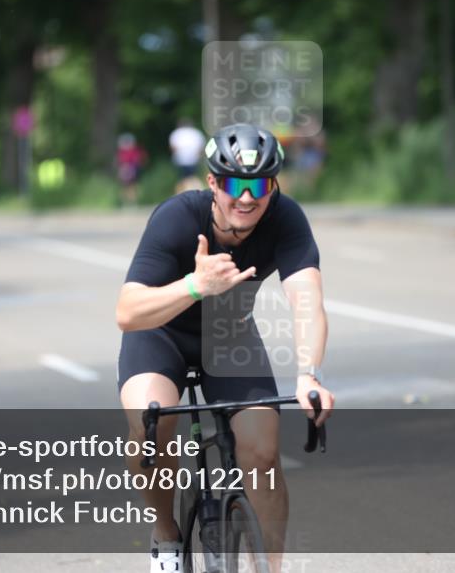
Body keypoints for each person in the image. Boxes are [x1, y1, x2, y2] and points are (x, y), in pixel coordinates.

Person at [115, 123, 335, 573]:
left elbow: (307, 301)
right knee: (151, 429)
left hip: (229, 337)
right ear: (213, 182)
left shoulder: (286, 219)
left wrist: (309, 373)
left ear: (273, 185)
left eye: (260, 184)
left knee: (262, 452)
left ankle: (271, 567)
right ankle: (166, 535)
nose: (247, 197)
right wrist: (196, 285)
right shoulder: (177, 217)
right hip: (160, 334)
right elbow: (128, 311)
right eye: (235, 183)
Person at [168, 118, 206, 193]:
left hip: (180, 159)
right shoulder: (196, 133)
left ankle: (181, 193)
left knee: (182, 178)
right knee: (193, 177)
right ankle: (195, 192)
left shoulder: (177, 133)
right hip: (193, 159)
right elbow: (200, 147)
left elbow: (173, 147)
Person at [116, 133, 147, 205]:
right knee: (128, 186)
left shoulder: (127, 151)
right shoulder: (127, 151)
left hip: (130, 169)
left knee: (130, 186)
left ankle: (129, 202)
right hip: (128, 169)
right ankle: (128, 202)